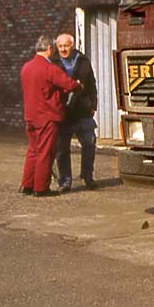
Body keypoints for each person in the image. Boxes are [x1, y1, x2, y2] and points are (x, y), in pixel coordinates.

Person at [20, 35, 81, 197]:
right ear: (49, 49)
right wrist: (78, 86)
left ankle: (26, 185)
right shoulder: (49, 68)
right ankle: (41, 187)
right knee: (46, 152)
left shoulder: (26, 67)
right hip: (47, 116)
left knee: (33, 150)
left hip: (30, 115)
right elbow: (68, 83)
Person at [52, 33, 99, 191]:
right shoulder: (53, 62)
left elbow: (92, 84)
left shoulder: (83, 60)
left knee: (89, 144)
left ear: (72, 45)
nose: (63, 49)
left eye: (66, 46)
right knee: (62, 148)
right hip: (63, 112)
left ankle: (87, 176)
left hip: (83, 111)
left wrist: (93, 105)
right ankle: (65, 181)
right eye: (60, 46)